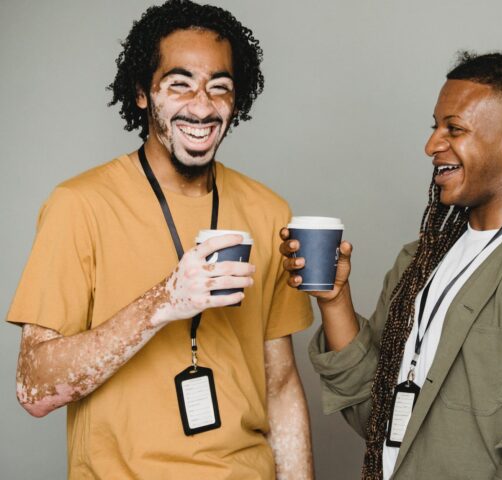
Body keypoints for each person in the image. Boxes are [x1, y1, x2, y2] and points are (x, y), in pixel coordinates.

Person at [280, 52, 502, 479]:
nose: (431, 145)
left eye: (454, 129)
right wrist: (334, 302)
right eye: (435, 126)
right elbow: (378, 418)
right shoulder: (419, 260)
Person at [7, 1, 314, 478]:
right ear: (142, 94)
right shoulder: (78, 205)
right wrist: (163, 302)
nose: (202, 106)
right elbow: (35, 389)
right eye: (179, 85)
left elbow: (281, 385)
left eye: (220, 88)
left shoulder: (269, 210)